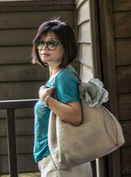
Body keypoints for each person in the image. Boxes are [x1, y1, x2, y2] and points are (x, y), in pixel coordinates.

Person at [31, 18, 92, 177]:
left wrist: (46, 99)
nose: (44, 47)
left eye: (52, 43)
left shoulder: (64, 77)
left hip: (60, 163)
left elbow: (75, 116)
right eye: (41, 42)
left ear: (66, 47)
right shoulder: (58, 75)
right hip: (57, 160)